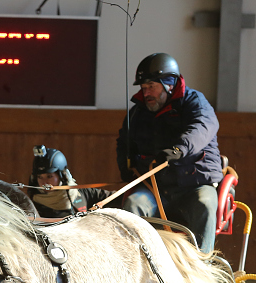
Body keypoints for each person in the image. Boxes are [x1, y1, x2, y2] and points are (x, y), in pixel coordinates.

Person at [116, 52, 222, 253]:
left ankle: (202, 266)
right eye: (143, 87)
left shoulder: (196, 102)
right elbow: (124, 143)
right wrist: (125, 166)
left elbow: (202, 127)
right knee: (132, 204)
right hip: (155, 189)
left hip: (195, 186)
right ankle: (137, 263)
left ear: (169, 84)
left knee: (206, 204)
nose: (146, 93)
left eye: (151, 87)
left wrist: (177, 150)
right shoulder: (137, 113)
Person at [26, 145, 106, 217]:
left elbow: (113, 198)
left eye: (49, 176)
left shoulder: (83, 194)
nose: (44, 182)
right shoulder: (32, 207)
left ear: (63, 176)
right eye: (40, 177)